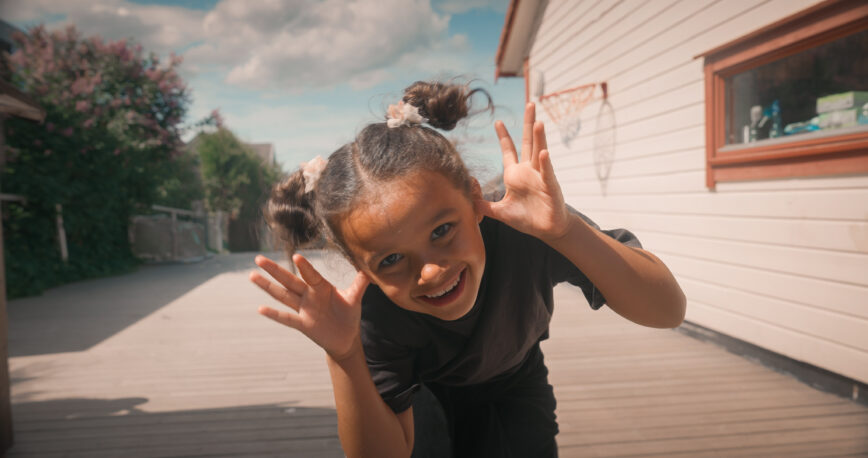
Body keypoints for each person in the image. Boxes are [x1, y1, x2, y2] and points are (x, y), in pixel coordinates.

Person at [249, 80, 686, 458]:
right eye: (392, 260)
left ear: (476, 199)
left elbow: (667, 310)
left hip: (517, 378)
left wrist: (567, 232)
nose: (432, 271)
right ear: (358, 266)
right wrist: (344, 356)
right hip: (424, 394)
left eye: (441, 230)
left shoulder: (528, 230)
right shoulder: (376, 315)